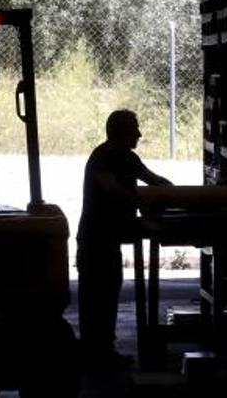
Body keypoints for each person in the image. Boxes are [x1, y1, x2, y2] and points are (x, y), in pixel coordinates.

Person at [76, 109, 172, 370]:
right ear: (120, 132)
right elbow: (114, 192)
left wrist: (171, 191)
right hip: (95, 240)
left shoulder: (128, 158)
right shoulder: (102, 159)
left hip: (107, 239)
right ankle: (95, 354)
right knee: (98, 298)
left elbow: (151, 179)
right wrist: (145, 199)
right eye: (135, 129)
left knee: (106, 296)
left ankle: (101, 352)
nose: (139, 134)